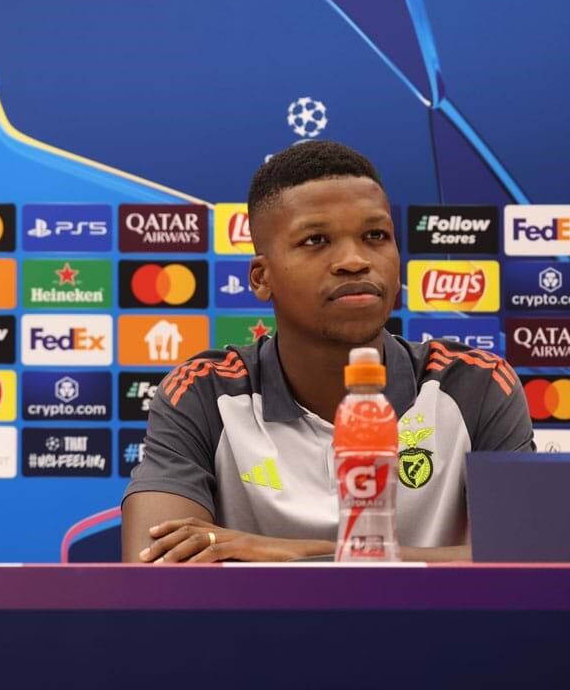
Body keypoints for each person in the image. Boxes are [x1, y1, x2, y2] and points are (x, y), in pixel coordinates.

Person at [121, 140, 533, 563]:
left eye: (375, 236)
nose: (354, 261)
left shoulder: (474, 384)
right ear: (262, 278)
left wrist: (296, 553)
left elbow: (531, 561)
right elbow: (153, 569)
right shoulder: (206, 393)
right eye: (316, 240)